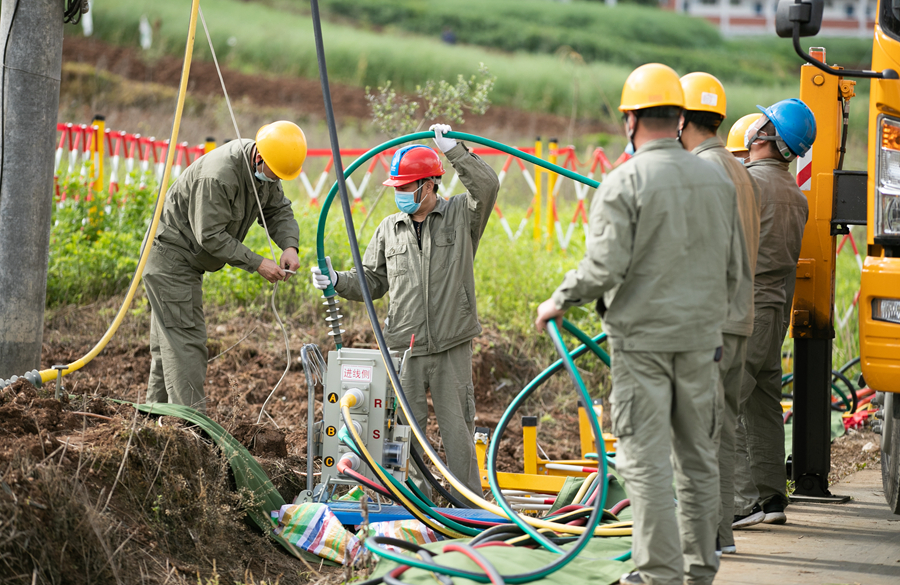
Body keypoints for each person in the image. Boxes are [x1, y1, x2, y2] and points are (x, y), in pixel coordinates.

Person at [535, 63, 745, 585]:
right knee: (698, 460)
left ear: (631, 120)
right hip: (701, 344)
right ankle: (699, 571)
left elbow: (604, 268)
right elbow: (737, 269)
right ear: (678, 119)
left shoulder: (624, 181)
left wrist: (557, 301)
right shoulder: (717, 181)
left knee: (645, 463)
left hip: (641, 347)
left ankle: (657, 574)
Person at [311, 124, 499, 500]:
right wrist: (336, 279)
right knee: (403, 434)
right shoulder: (388, 229)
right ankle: (415, 504)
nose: (398, 194)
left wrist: (454, 150)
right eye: (395, 188)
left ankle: (468, 506)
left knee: (457, 432)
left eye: (404, 187)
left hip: (450, 345)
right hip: (404, 348)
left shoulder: (462, 216)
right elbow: (372, 280)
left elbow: (488, 187)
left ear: (428, 186)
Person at [143, 121, 306, 413]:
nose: (277, 181)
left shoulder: (265, 170)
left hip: (185, 261)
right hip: (170, 259)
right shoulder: (219, 177)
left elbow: (277, 209)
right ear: (260, 158)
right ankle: (191, 426)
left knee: (168, 348)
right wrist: (258, 263)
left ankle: (155, 420)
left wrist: (289, 245)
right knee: (186, 343)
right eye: (276, 174)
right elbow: (210, 236)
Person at [679, 72, 760, 556]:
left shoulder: (698, 172)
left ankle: (702, 538)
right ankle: (720, 535)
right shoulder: (738, 170)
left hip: (708, 322)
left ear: (682, 118)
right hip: (739, 317)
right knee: (722, 429)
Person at [732, 99, 816, 529]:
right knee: (763, 404)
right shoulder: (794, 195)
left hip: (745, 311)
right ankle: (771, 499)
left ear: (768, 137)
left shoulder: (748, 183)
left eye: (762, 122)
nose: (754, 127)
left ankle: (741, 504)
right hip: (774, 314)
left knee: (724, 404)